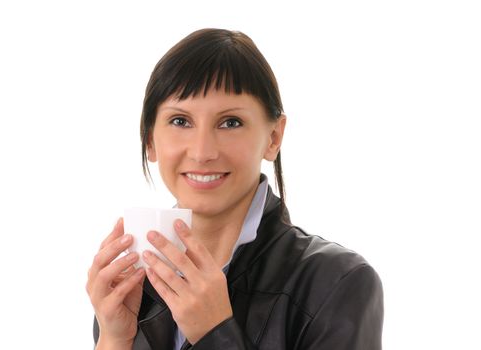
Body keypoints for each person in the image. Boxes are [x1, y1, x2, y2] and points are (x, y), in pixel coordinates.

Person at [86, 28, 384, 350]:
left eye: (230, 122)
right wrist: (114, 338)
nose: (202, 152)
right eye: (180, 121)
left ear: (273, 138)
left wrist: (215, 334)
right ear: (149, 140)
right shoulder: (135, 283)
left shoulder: (336, 282)